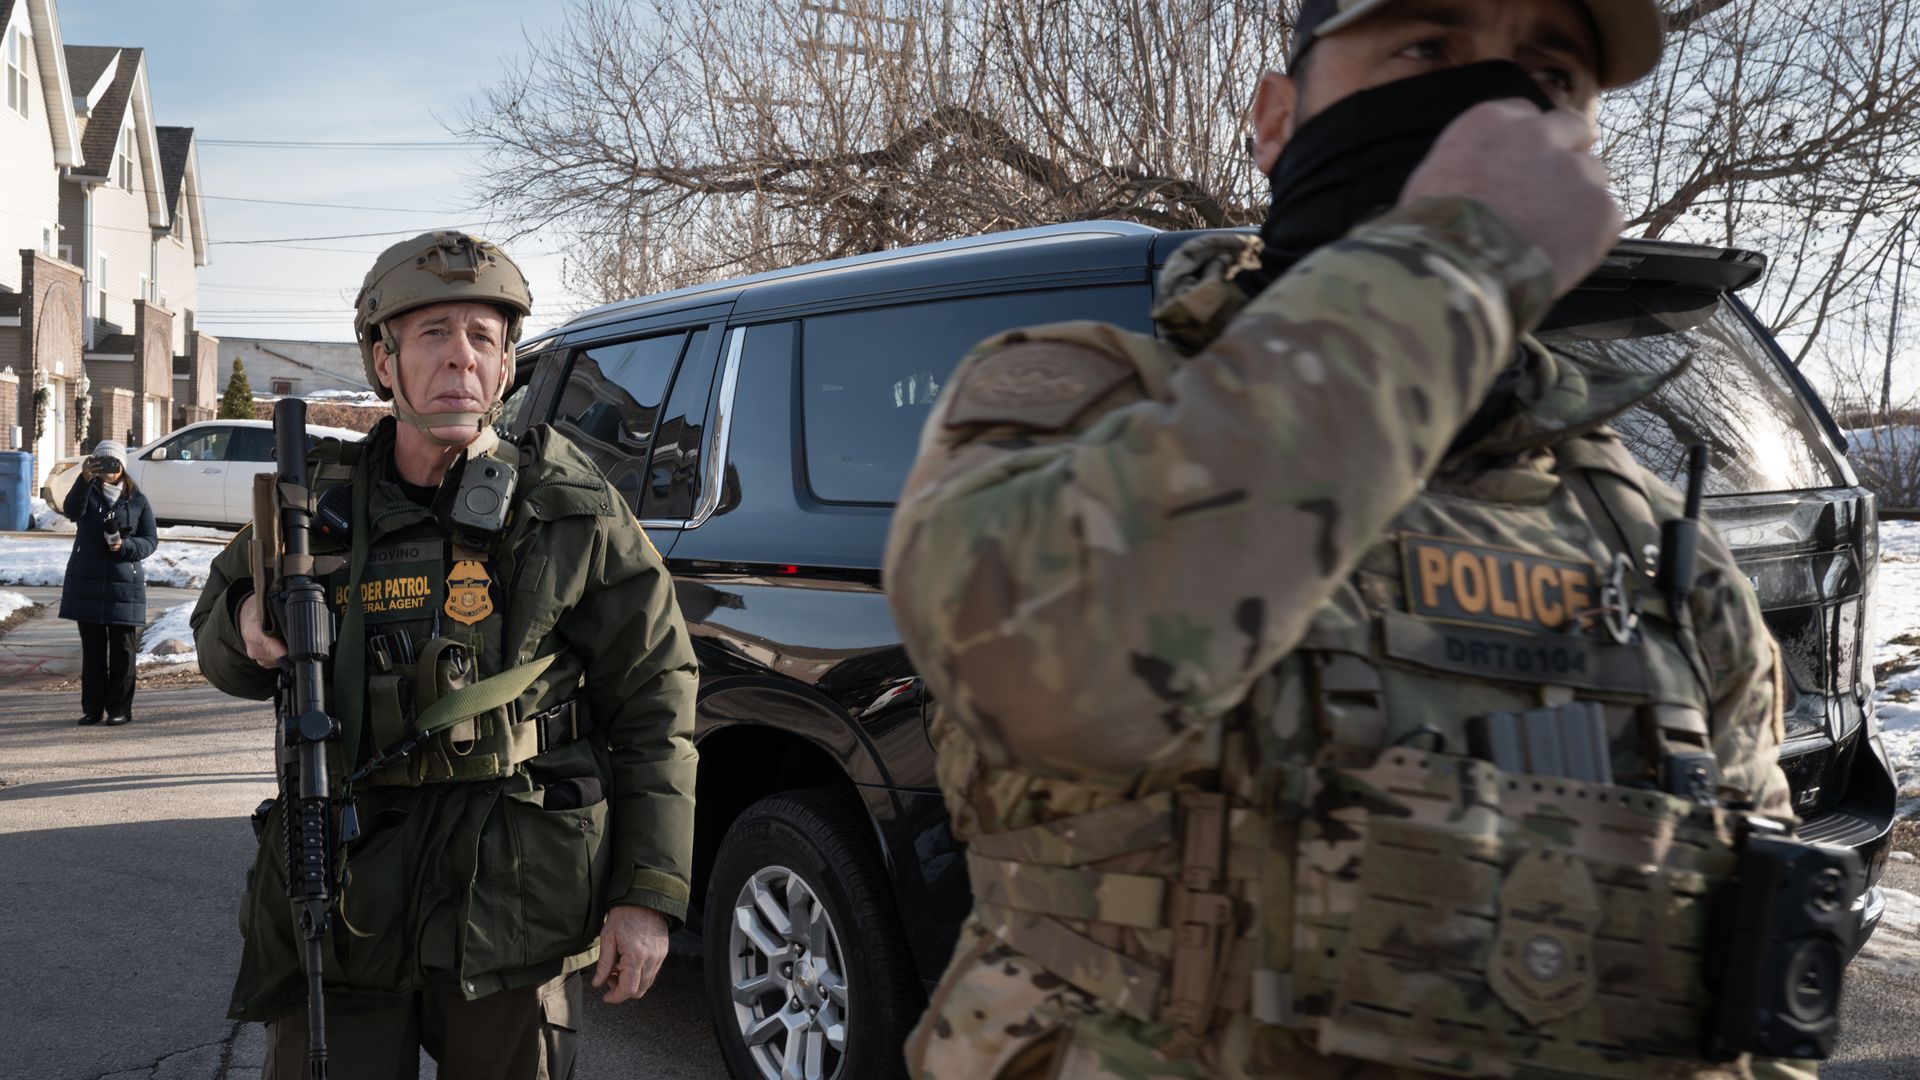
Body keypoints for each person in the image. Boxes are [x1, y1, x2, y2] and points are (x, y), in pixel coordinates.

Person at [884, 1, 1815, 1077]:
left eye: (1552, 78)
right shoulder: (1075, 402)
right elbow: (1044, 670)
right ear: (1276, 119)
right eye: (1427, 47)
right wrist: (1456, 258)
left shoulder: (1648, 538)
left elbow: (1747, 961)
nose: (1494, 111)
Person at [190, 231, 699, 1079]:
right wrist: (245, 619)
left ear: (503, 368)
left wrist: (646, 894)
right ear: (383, 361)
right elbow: (218, 641)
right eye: (433, 333)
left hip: (517, 902)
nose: (460, 357)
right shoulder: (310, 507)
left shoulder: (570, 509)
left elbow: (656, 700)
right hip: (344, 892)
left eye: (482, 337)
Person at [61, 439, 157, 727]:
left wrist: (125, 547)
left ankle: (119, 708)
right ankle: (92, 709)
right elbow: (71, 511)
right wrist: (83, 479)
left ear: (122, 466)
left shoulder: (138, 500)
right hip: (87, 582)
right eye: (100, 463)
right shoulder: (86, 493)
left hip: (124, 585)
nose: (107, 469)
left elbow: (150, 540)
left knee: (123, 652)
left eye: (112, 463)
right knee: (92, 652)